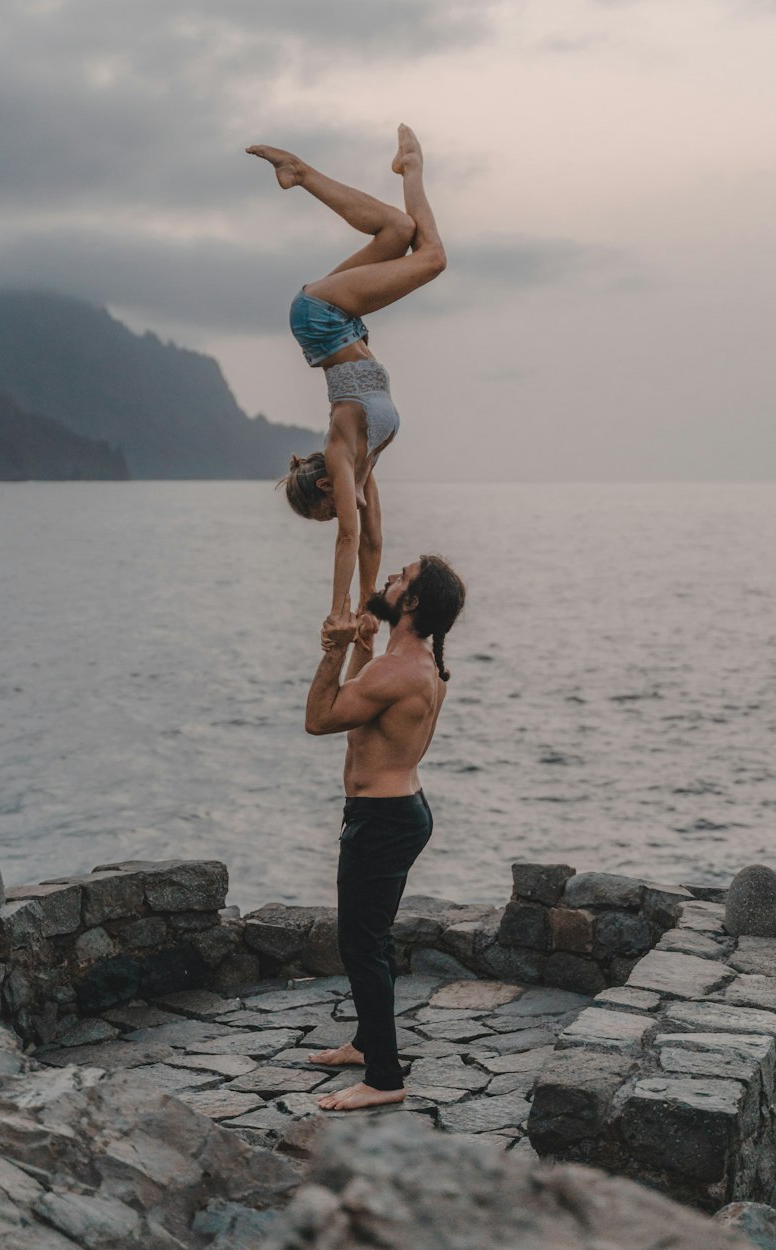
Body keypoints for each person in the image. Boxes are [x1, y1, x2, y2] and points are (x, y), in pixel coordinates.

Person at [246, 126, 446, 644]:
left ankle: (306, 171)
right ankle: (406, 168)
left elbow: (348, 539)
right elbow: (372, 541)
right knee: (400, 232)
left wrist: (336, 611)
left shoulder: (341, 449)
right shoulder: (363, 469)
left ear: (322, 487)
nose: (338, 514)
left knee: (431, 260)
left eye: (326, 510)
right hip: (337, 323)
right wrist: (368, 610)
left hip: (322, 318)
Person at [303, 553, 466, 1110]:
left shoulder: (399, 671)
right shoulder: (412, 663)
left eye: (401, 577)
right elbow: (362, 710)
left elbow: (321, 717)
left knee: (360, 943)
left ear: (412, 603)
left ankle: (384, 1078)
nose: (390, 578)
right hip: (397, 813)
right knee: (371, 939)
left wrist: (334, 646)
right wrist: (362, 647)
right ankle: (369, 1042)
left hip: (383, 820)